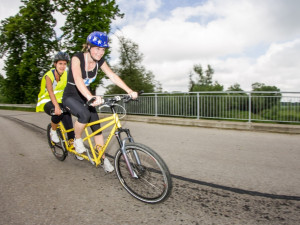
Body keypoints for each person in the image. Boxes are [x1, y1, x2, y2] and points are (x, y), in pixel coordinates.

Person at [63, 31, 138, 172]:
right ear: (89, 47)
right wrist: (90, 96)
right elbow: (78, 79)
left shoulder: (100, 62)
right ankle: (77, 139)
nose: (100, 53)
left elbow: (112, 76)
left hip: (85, 96)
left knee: (97, 129)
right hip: (71, 96)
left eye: (103, 49)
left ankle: (103, 159)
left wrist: (129, 91)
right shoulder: (77, 58)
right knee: (84, 115)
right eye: (97, 48)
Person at [36, 52, 75, 143]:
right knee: (58, 112)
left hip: (60, 101)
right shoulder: (49, 75)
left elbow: (72, 89)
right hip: (47, 101)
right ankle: (53, 131)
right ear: (55, 64)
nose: (62, 66)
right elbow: (50, 92)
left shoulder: (66, 75)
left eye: (64, 64)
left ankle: (72, 143)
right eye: (60, 63)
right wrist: (57, 107)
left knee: (69, 123)